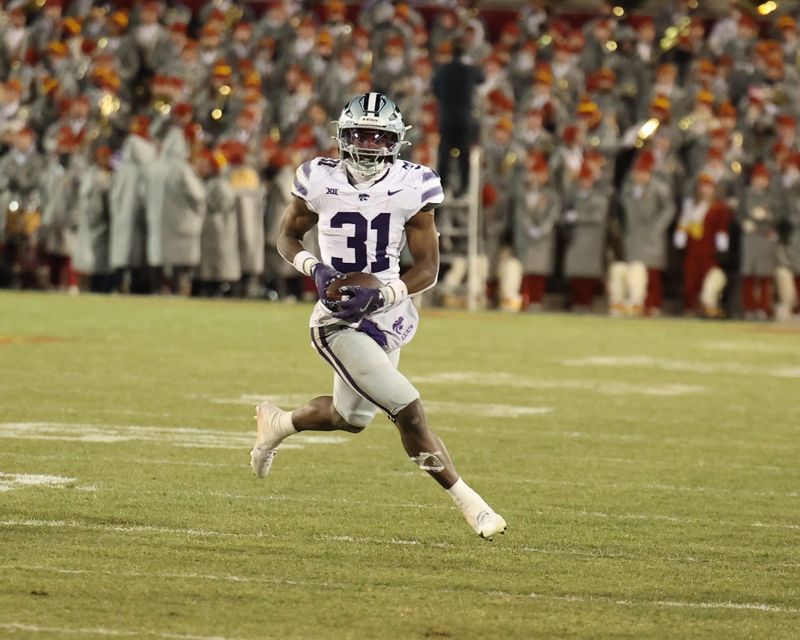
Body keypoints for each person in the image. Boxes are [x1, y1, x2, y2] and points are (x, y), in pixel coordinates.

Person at [249, 92, 507, 541]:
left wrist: (384, 293)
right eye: (359, 135)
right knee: (408, 410)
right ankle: (473, 505)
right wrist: (317, 269)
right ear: (341, 136)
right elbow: (287, 237)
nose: (368, 145)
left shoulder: (414, 184)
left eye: (378, 136)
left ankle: (278, 423)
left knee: (349, 419)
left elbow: (427, 268)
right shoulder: (316, 177)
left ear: (396, 140)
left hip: (387, 309)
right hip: (335, 320)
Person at [432, 40, 485, 198]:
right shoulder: (469, 70)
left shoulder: (442, 70)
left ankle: (442, 184)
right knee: (464, 154)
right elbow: (482, 78)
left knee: (444, 153)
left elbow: (435, 90)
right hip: (464, 118)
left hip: (447, 116)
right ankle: (463, 186)